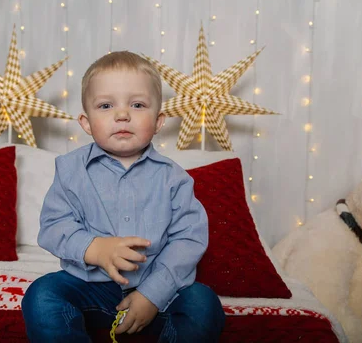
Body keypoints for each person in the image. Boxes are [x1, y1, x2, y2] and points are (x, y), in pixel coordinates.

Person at [22, 51, 225, 342]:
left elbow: (189, 240)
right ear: (86, 122)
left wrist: (152, 295)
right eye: (105, 105)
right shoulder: (70, 171)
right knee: (42, 296)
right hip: (90, 286)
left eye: (138, 104)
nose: (122, 115)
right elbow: (54, 226)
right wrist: (94, 248)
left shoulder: (174, 178)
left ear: (158, 121)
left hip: (160, 293)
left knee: (203, 303)